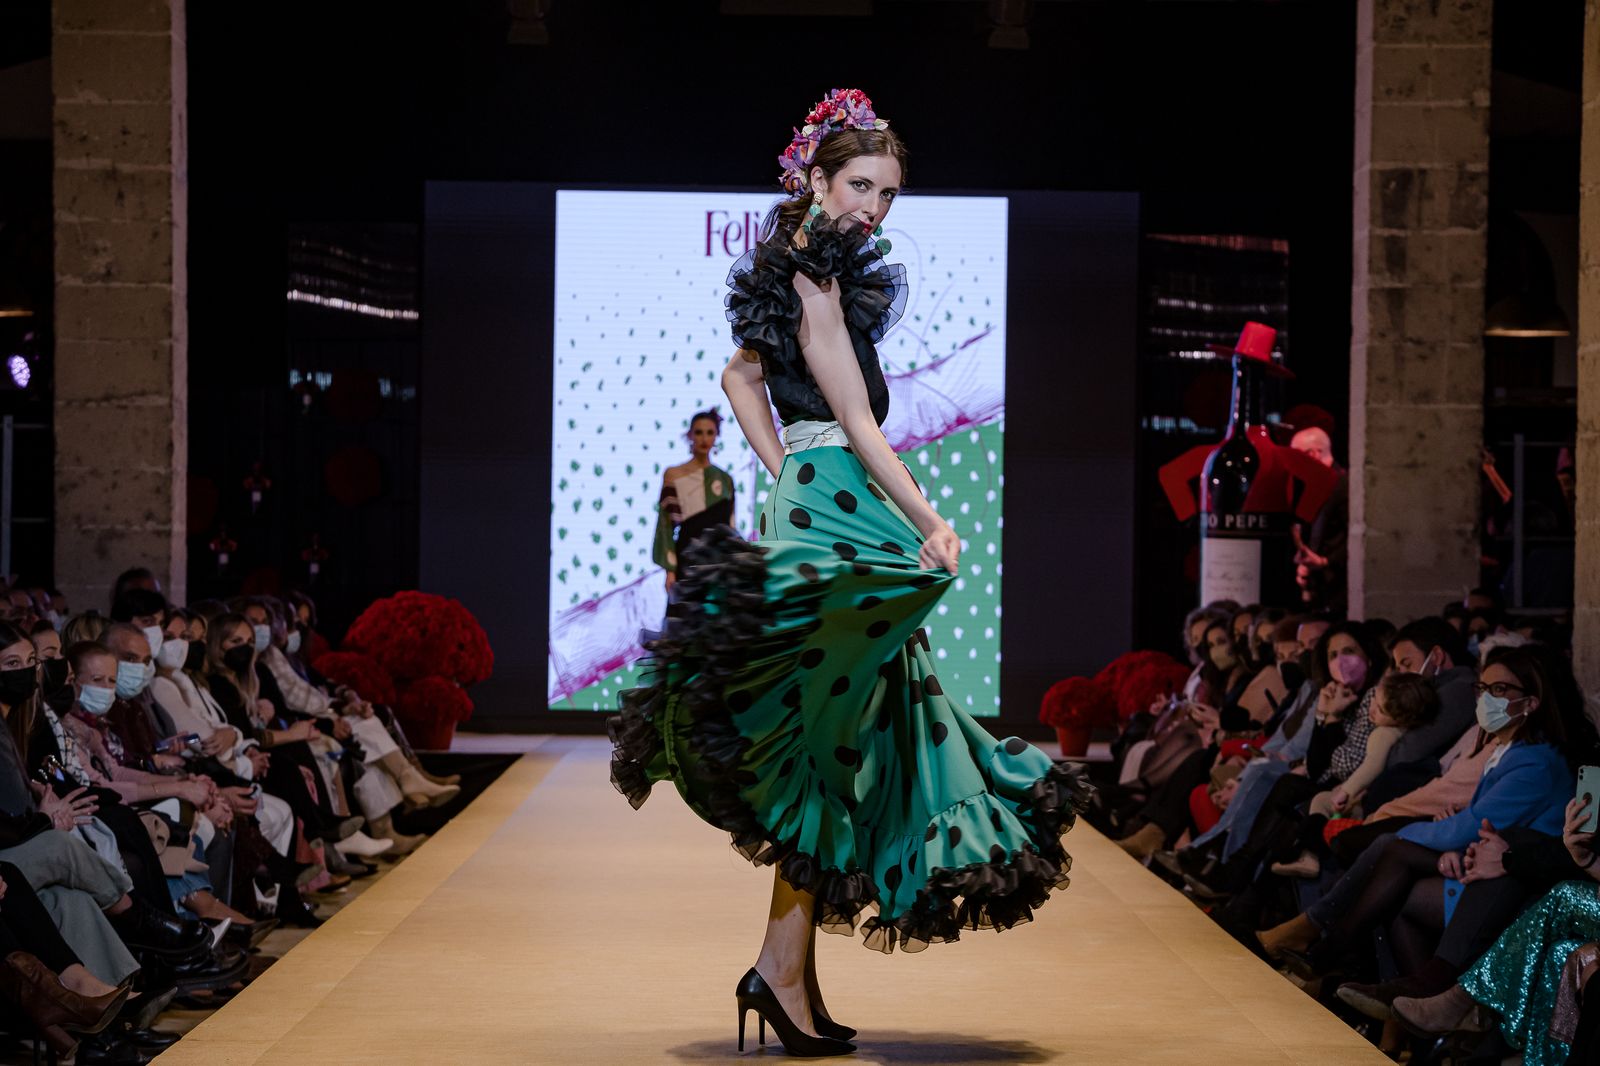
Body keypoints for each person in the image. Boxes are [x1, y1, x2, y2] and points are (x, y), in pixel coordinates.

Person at [607, 87, 1091, 1057]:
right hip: (840, 509)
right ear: (815, 178)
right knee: (833, 741)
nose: (875, 207)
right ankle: (779, 973)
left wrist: (786, 467)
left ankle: (783, 969)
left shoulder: (795, 268)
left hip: (821, 498)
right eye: (861, 184)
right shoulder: (816, 277)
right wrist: (926, 513)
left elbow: (740, 378)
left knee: (838, 738)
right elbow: (861, 423)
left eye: (888, 194)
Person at [653, 409, 737, 593]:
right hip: (688, 559)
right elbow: (665, 526)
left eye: (710, 432)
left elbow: (731, 527)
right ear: (690, 435)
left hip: (719, 561)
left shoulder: (725, 479)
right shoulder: (673, 475)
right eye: (698, 432)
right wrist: (670, 570)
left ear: (717, 436)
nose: (704, 438)